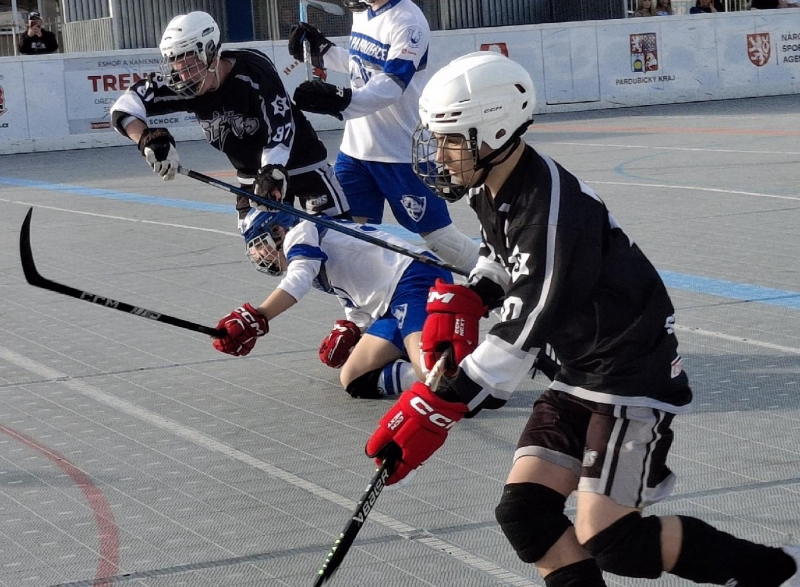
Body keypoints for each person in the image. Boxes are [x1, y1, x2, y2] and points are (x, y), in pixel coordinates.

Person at [364, 52, 800, 587]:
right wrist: (473, 297)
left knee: (614, 540)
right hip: (577, 368)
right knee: (526, 513)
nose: (440, 154)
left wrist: (439, 404)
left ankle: (779, 572)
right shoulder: (490, 179)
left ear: (496, 129)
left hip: (626, 371)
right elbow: (501, 256)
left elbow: (525, 327)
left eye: (452, 139)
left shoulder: (549, 209)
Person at [284, 0, 479, 274]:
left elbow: (392, 84)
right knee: (346, 237)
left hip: (401, 152)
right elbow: (361, 63)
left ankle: (504, 281)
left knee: (441, 240)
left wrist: (340, 101)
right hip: (356, 151)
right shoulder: (363, 12)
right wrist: (323, 52)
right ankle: (366, 301)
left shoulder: (409, 21)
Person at [110, 11, 349, 229]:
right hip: (252, 176)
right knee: (264, 249)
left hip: (302, 162)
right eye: (176, 66)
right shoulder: (183, 84)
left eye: (189, 66)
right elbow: (125, 106)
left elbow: (281, 127)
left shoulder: (253, 70)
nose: (183, 77)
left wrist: (271, 170)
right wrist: (148, 139)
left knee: (337, 239)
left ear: (210, 54)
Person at [211, 207, 453, 400]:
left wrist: (259, 316)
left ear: (278, 231)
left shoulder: (301, 231)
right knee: (353, 378)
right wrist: (355, 329)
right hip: (391, 302)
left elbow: (298, 280)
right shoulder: (312, 240)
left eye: (259, 244)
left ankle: (459, 371)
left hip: (413, 280)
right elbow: (355, 296)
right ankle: (435, 366)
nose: (258, 254)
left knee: (427, 367)